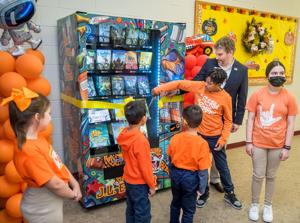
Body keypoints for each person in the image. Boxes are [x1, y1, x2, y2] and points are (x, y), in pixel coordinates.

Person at [152, 68, 242, 210]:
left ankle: (230, 193)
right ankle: (204, 194)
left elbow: (228, 120)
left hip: (215, 136)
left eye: (210, 84)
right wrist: (159, 89)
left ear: (219, 84)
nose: (206, 85)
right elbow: (180, 83)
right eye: (206, 81)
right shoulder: (200, 85)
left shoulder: (226, 98)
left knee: (222, 166)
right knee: (201, 167)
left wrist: (223, 139)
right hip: (198, 134)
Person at [1, 87, 82, 223]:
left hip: (49, 201)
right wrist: (72, 194)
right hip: (43, 206)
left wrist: (74, 183)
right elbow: (55, 184)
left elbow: (57, 164)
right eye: (49, 114)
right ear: (37, 117)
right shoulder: (29, 151)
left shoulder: (38, 139)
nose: (51, 117)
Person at [193, 36, 248, 194]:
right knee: (200, 148)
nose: (217, 58)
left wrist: (237, 120)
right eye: (216, 54)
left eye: (220, 55)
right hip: (205, 113)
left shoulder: (241, 70)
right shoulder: (210, 63)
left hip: (225, 116)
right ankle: (199, 180)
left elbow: (242, 96)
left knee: (219, 149)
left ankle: (215, 179)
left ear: (230, 52)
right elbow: (197, 80)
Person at [246, 60, 298, 222]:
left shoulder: (290, 98)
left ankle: (267, 205)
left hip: (278, 144)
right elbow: (251, 119)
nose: (278, 76)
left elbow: (291, 124)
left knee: (271, 176)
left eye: (281, 73)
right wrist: (248, 142)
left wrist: (287, 147)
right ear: (267, 75)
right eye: (274, 73)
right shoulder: (257, 95)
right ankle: (255, 204)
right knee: (257, 175)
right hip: (259, 142)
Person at [167, 105, 211, 223]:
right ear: (200, 123)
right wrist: (201, 189)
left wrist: (172, 174)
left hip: (176, 175)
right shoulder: (203, 144)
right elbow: (203, 171)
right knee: (188, 209)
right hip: (191, 179)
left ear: (184, 121)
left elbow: (170, 159)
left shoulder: (175, 138)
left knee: (175, 203)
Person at [117, 100, 156, 223]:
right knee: (142, 213)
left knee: (131, 208)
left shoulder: (124, 133)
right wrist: (152, 185)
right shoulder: (141, 141)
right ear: (144, 119)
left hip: (128, 179)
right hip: (139, 183)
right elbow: (145, 167)